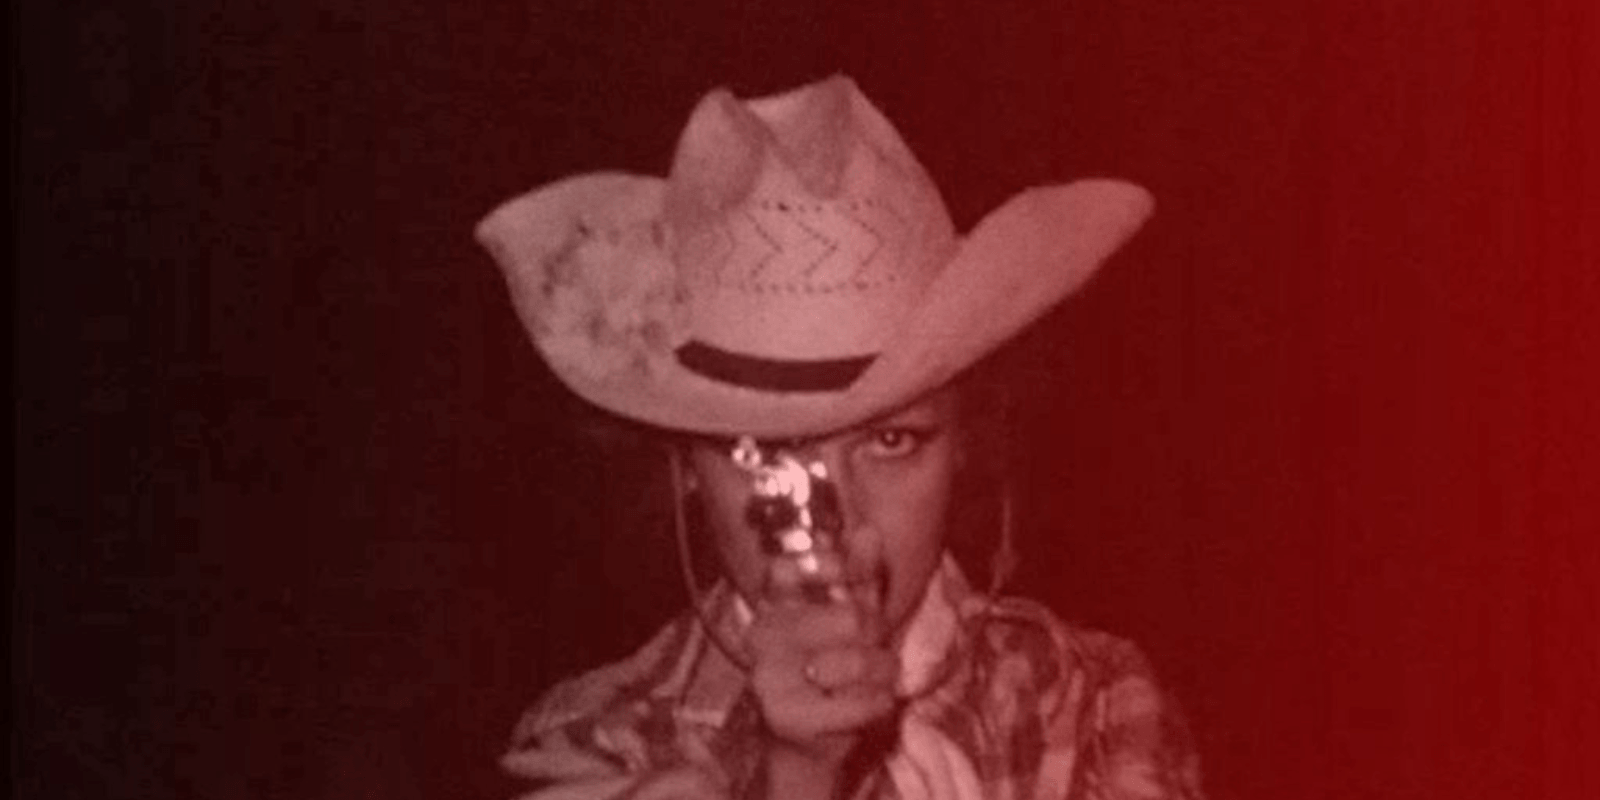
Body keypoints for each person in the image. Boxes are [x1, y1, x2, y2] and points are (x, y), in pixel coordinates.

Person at [475, 75, 1203, 800]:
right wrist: (796, 777)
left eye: (892, 442)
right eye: (765, 455)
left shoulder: (1090, 705)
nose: (835, 523)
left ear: (966, 443)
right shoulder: (594, 740)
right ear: (685, 462)